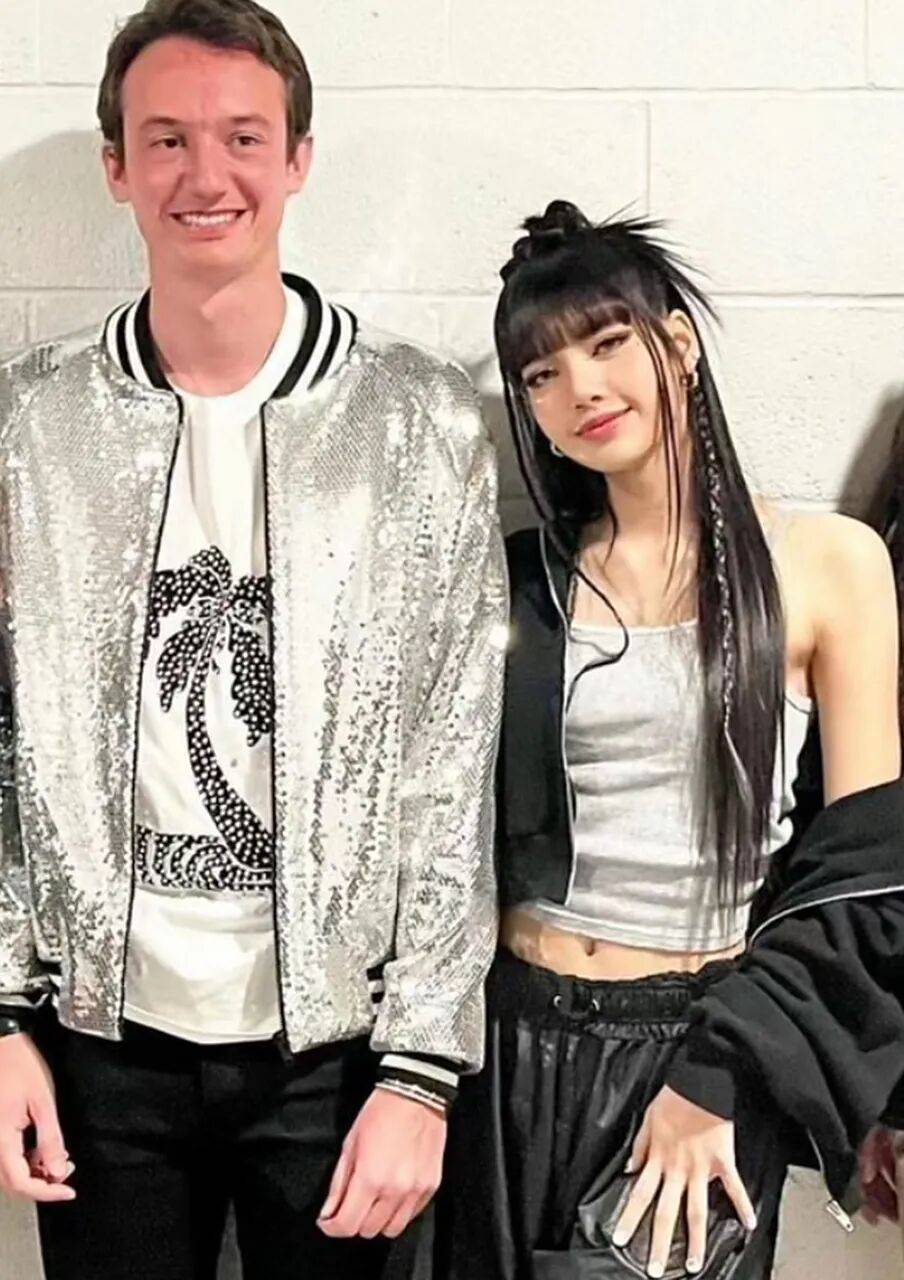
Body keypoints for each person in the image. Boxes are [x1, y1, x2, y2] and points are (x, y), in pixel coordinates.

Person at [0, 2, 506, 1278]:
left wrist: (423, 1064)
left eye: (242, 136)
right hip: (95, 1045)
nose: (205, 174)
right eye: (165, 139)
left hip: (336, 1054)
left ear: (298, 158)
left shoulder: (415, 421)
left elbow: (451, 756)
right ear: (116, 166)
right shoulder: (30, 424)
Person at [431, 201, 904, 1280]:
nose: (581, 388)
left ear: (678, 344)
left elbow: (866, 870)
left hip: (696, 1048)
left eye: (607, 343)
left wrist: (721, 1076)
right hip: (509, 1042)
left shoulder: (824, 563)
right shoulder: (519, 578)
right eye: (542, 372)